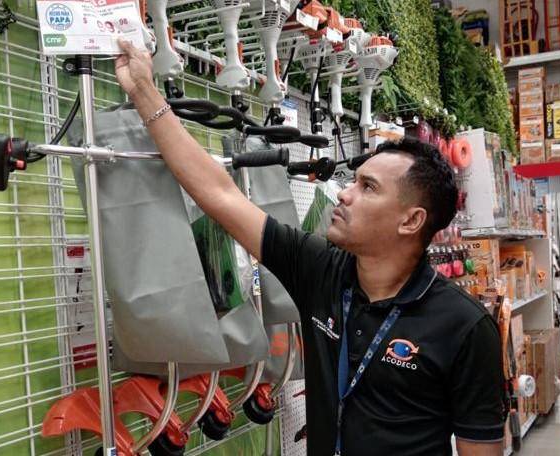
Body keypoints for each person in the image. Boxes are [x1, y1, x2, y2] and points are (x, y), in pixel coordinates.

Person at [114, 40, 505, 456]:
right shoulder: (319, 270)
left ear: (411, 221)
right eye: (354, 181)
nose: (345, 194)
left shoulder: (464, 327)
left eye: (368, 188)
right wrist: (144, 93)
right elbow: (220, 195)